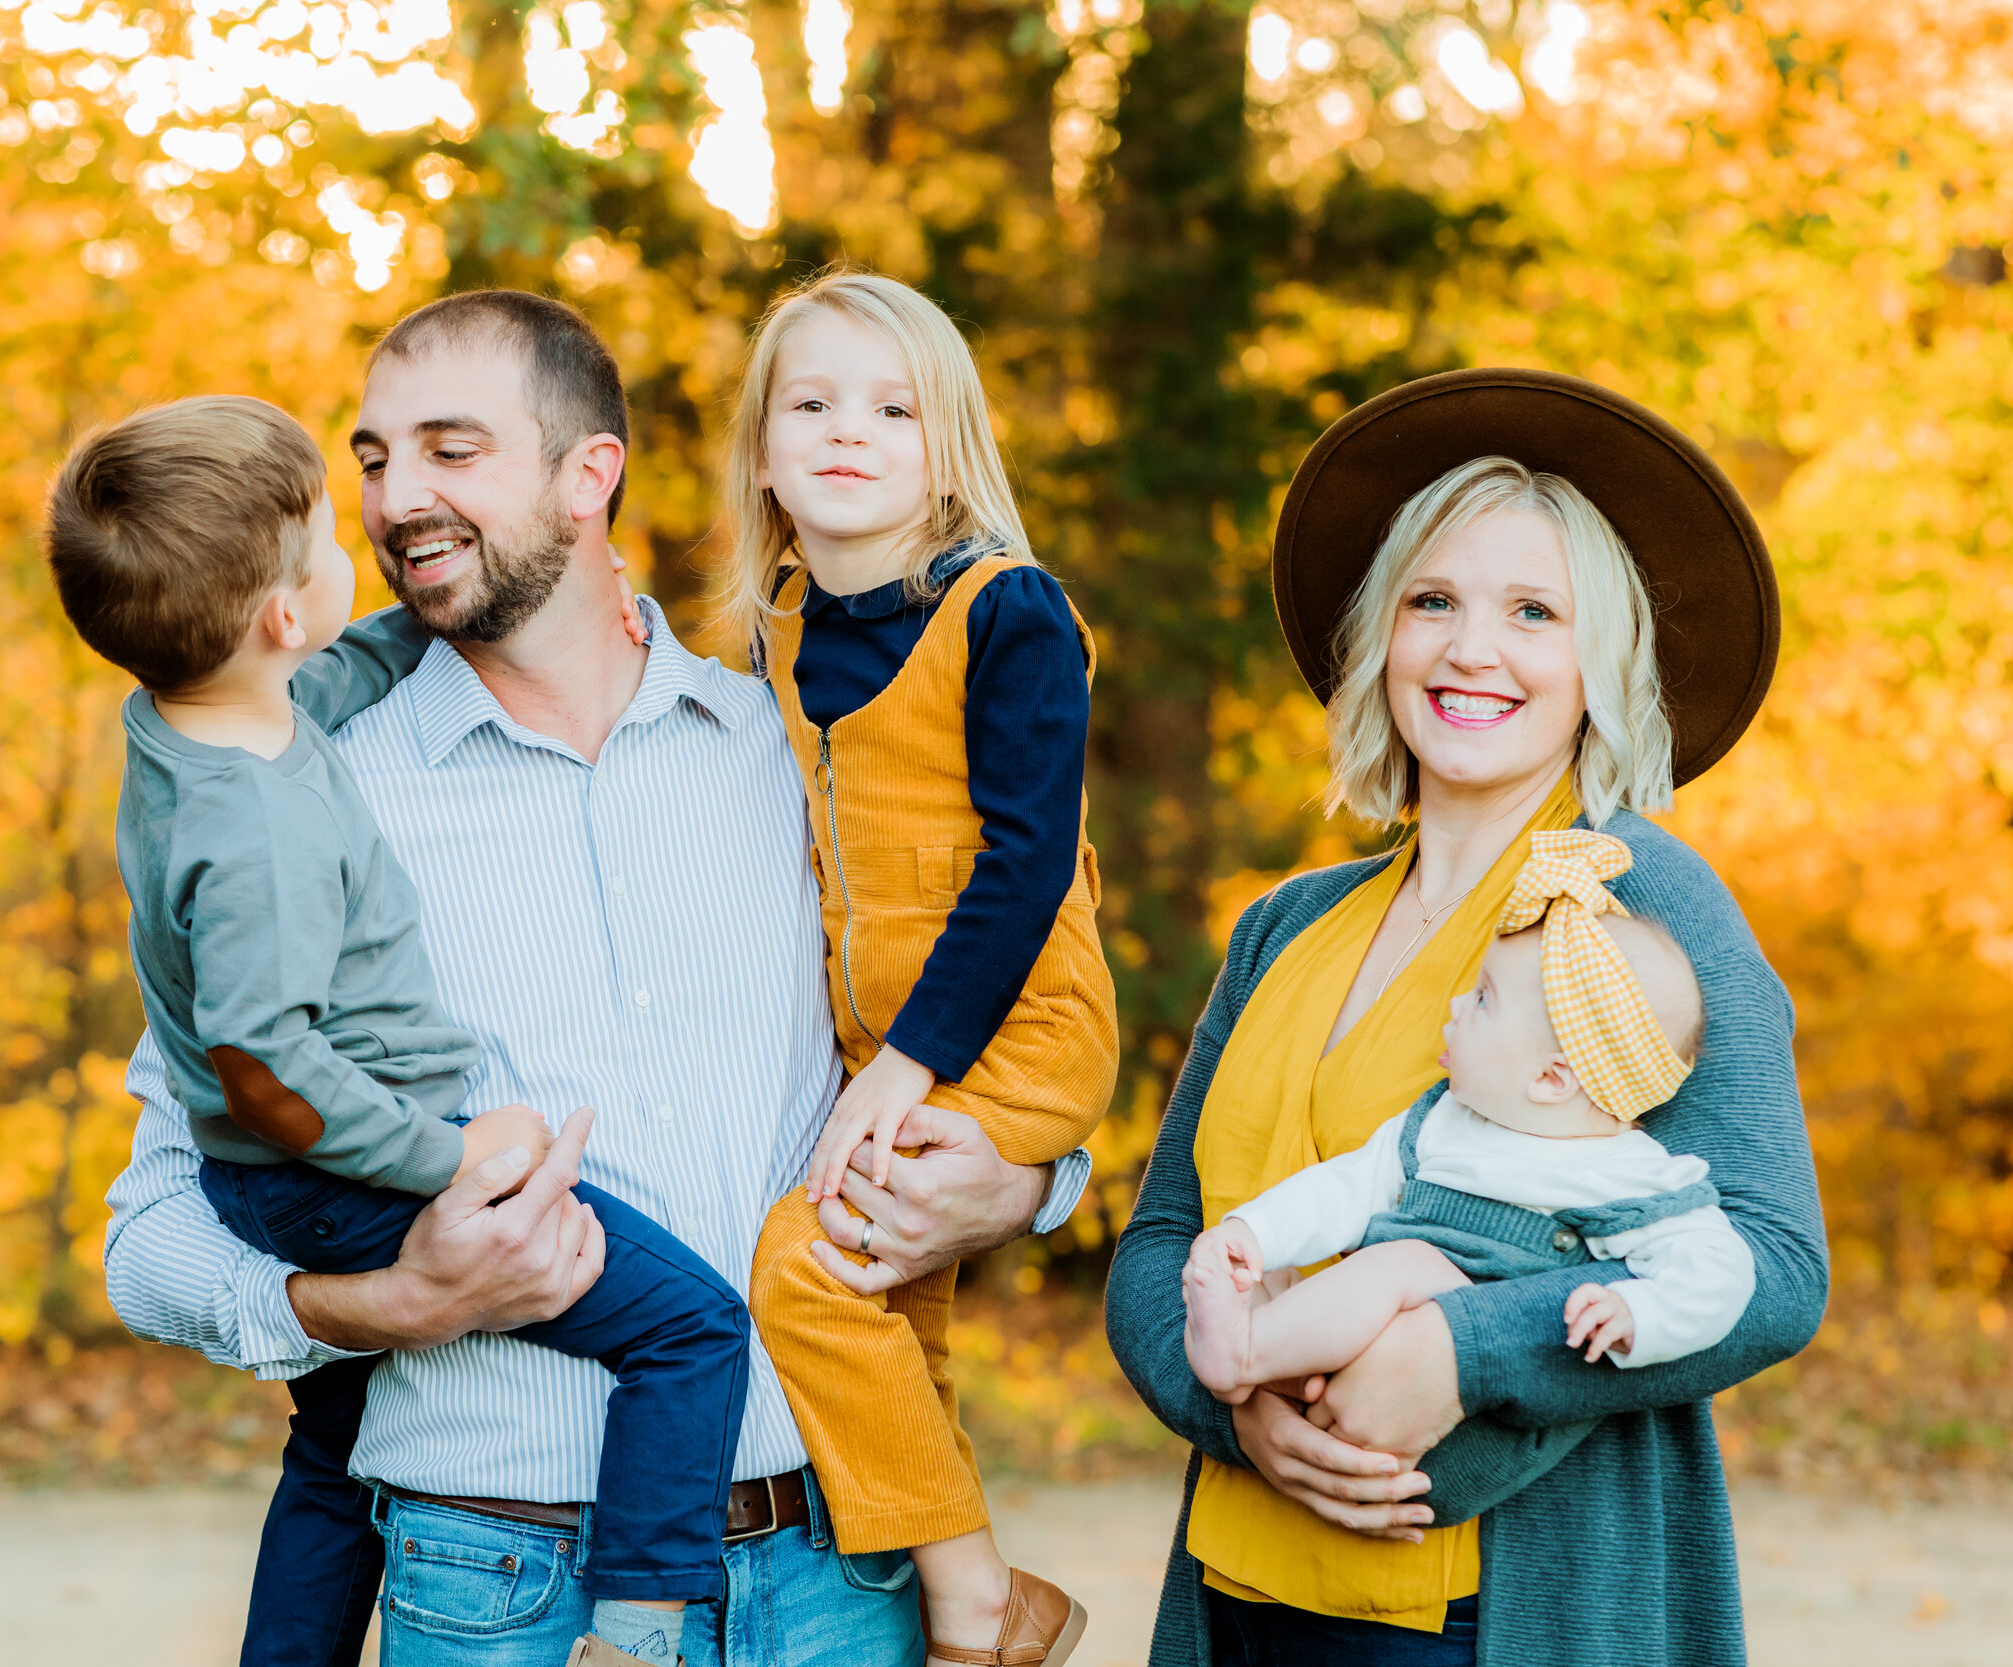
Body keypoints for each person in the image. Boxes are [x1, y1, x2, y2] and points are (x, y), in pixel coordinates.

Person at [97, 290, 1097, 1667]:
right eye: (375, 458)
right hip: (500, 1574)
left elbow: (975, 1005)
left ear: (591, 472)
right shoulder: (301, 793)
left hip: (843, 1571)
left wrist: (1028, 1181)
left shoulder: (787, 744)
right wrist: (377, 1306)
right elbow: (152, 1225)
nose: (396, 499)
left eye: (453, 448)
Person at [1104, 368, 1828, 1667]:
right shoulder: (1286, 922)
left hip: (1495, 1608)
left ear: (1599, 663)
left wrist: (1467, 1345)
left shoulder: (1633, 892)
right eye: (1432, 601)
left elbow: (1774, 1266)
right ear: (1384, 637)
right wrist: (1240, 1414)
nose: (1470, 648)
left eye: (1532, 611)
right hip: (1244, 1592)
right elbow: (1163, 1238)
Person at [45, 394, 754, 1667]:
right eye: (328, 532)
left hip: (280, 1174)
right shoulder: (252, 825)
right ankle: (643, 1627)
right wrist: (454, 1159)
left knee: (332, 1445)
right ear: (277, 613)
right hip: (335, 1172)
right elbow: (267, 1070)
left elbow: (353, 658)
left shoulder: (207, 714)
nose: (360, 538)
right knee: (688, 1324)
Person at [713, 272, 1114, 1667]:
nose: (849, 431)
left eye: (894, 407)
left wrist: (899, 1063)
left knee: (808, 1270)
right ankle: (974, 1606)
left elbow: (1024, 867)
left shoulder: (1010, 614)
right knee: (892, 1324)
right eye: (810, 403)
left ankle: (978, 1607)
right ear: (762, 448)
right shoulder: (771, 628)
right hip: (877, 1042)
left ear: (948, 446)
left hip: (1014, 1025)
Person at [1184, 833, 1756, 1402]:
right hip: (1372, 1326)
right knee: (1285, 1269)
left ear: (1550, 1079)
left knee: (1400, 1264)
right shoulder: (1442, 1122)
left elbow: (1720, 1272)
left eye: (1483, 999)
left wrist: (1639, 1314)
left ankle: (1244, 1353)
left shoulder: (1629, 1175)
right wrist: (1255, 1232)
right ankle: (1266, 1370)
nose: (1457, 1006)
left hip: (1469, 1337)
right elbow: (1346, 1188)